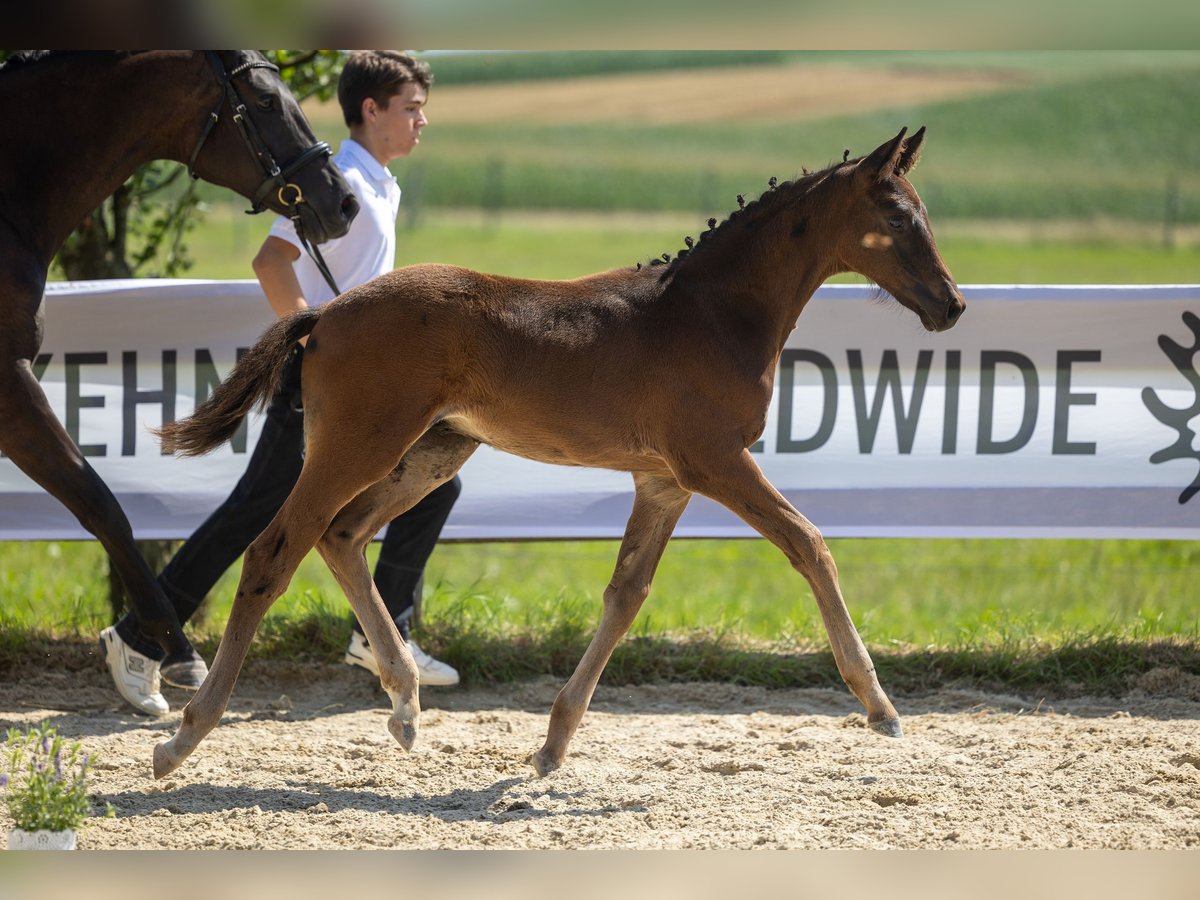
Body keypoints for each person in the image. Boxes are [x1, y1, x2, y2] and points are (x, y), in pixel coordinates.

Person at [100, 50, 460, 716]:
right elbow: (272, 260)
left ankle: (379, 629)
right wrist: (314, 341)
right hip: (331, 376)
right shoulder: (341, 175)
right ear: (370, 110)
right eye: (410, 108)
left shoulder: (381, 180)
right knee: (259, 507)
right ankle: (138, 637)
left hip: (369, 383)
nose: (422, 122)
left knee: (439, 476)